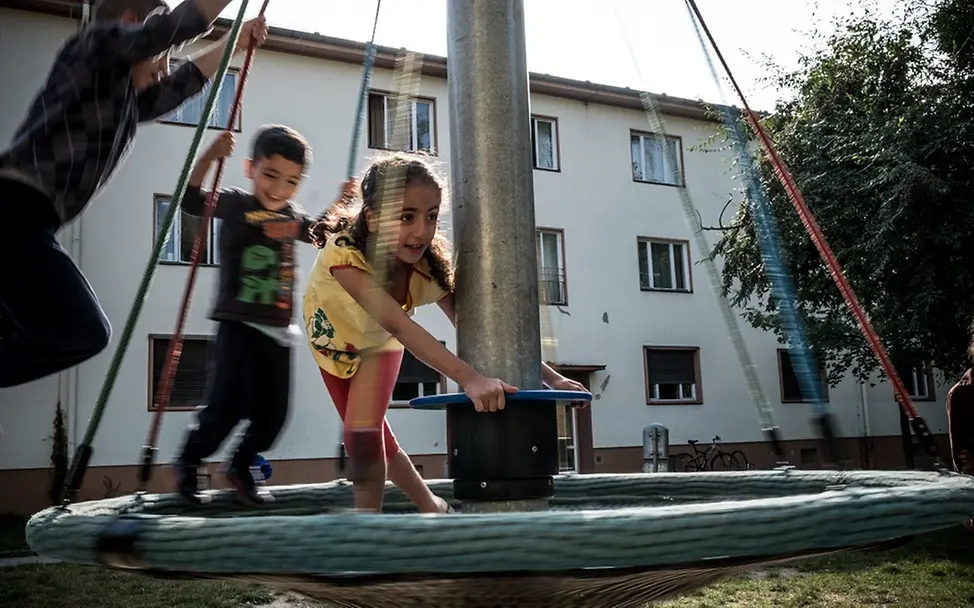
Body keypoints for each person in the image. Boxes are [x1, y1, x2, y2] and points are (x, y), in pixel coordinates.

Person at [0, 0, 267, 388]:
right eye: (163, 56)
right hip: (14, 210)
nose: (165, 66)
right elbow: (175, 27)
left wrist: (234, 42)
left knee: (31, 333)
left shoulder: (123, 100)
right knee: (83, 330)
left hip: (26, 220)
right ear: (130, 26)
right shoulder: (96, 45)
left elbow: (183, 84)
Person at [303, 152, 589, 513]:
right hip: (331, 348)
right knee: (378, 439)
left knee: (361, 435)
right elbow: (399, 321)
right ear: (373, 219)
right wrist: (469, 378)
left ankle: (367, 531)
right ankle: (433, 506)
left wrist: (553, 379)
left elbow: (469, 327)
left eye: (432, 216)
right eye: (406, 217)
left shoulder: (425, 270)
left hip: (380, 346)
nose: (422, 231)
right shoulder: (344, 255)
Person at [172, 125, 316, 506]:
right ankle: (189, 462)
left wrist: (340, 203)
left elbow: (322, 233)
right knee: (226, 408)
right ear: (250, 168)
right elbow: (190, 201)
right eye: (270, 175)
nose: (278, 189)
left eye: (291, 181)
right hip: (238, 324)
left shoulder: (293, 215)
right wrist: (210, 155)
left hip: (279, 333)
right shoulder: (237, 204)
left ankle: (240, 467)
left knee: (274, 417)